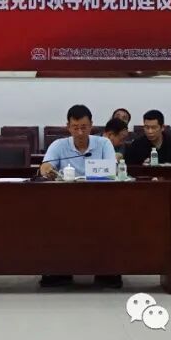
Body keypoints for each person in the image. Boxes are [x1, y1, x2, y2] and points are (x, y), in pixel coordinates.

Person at [39, 106, 120, 289]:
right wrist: (47, 169)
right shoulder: (59, 145)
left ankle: (107, 271)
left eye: (84, 127)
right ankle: (59, 271)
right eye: (75, 127)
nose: (80, 132)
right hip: (65, 202)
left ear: (91, 125)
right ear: (68, 127)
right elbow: (45, 167)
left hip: (100, 201)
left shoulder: (103, 144)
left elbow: (112, 171)